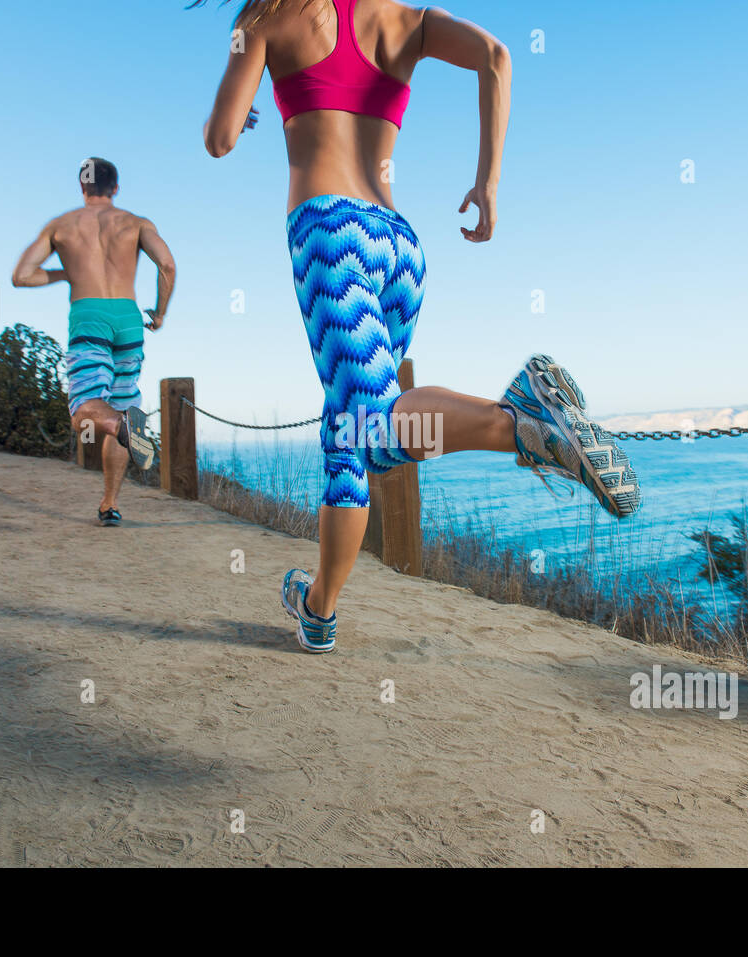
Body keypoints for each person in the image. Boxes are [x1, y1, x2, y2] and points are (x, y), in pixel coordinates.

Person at [198, 0, 640, 651]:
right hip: (398, 246)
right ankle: (318, 609)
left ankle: (522, 422)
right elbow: (496, 57)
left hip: (329, 233)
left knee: (375, 427)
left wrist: (244, 98)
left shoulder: (265, 17)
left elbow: (219, 138)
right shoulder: (407, 19)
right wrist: (488, 182)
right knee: (347, 430)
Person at [11, 157, 176, 526]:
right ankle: (109, 504)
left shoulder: (61, 225)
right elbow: (167, 265)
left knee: (86, 407)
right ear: (115, 188)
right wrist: (160, 313)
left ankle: (122, 426)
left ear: (82, 187)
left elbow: (21, 276)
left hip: (89, 317)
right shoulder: (136, 223)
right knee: (118, 404)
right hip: (130, 319)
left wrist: (64, 273)